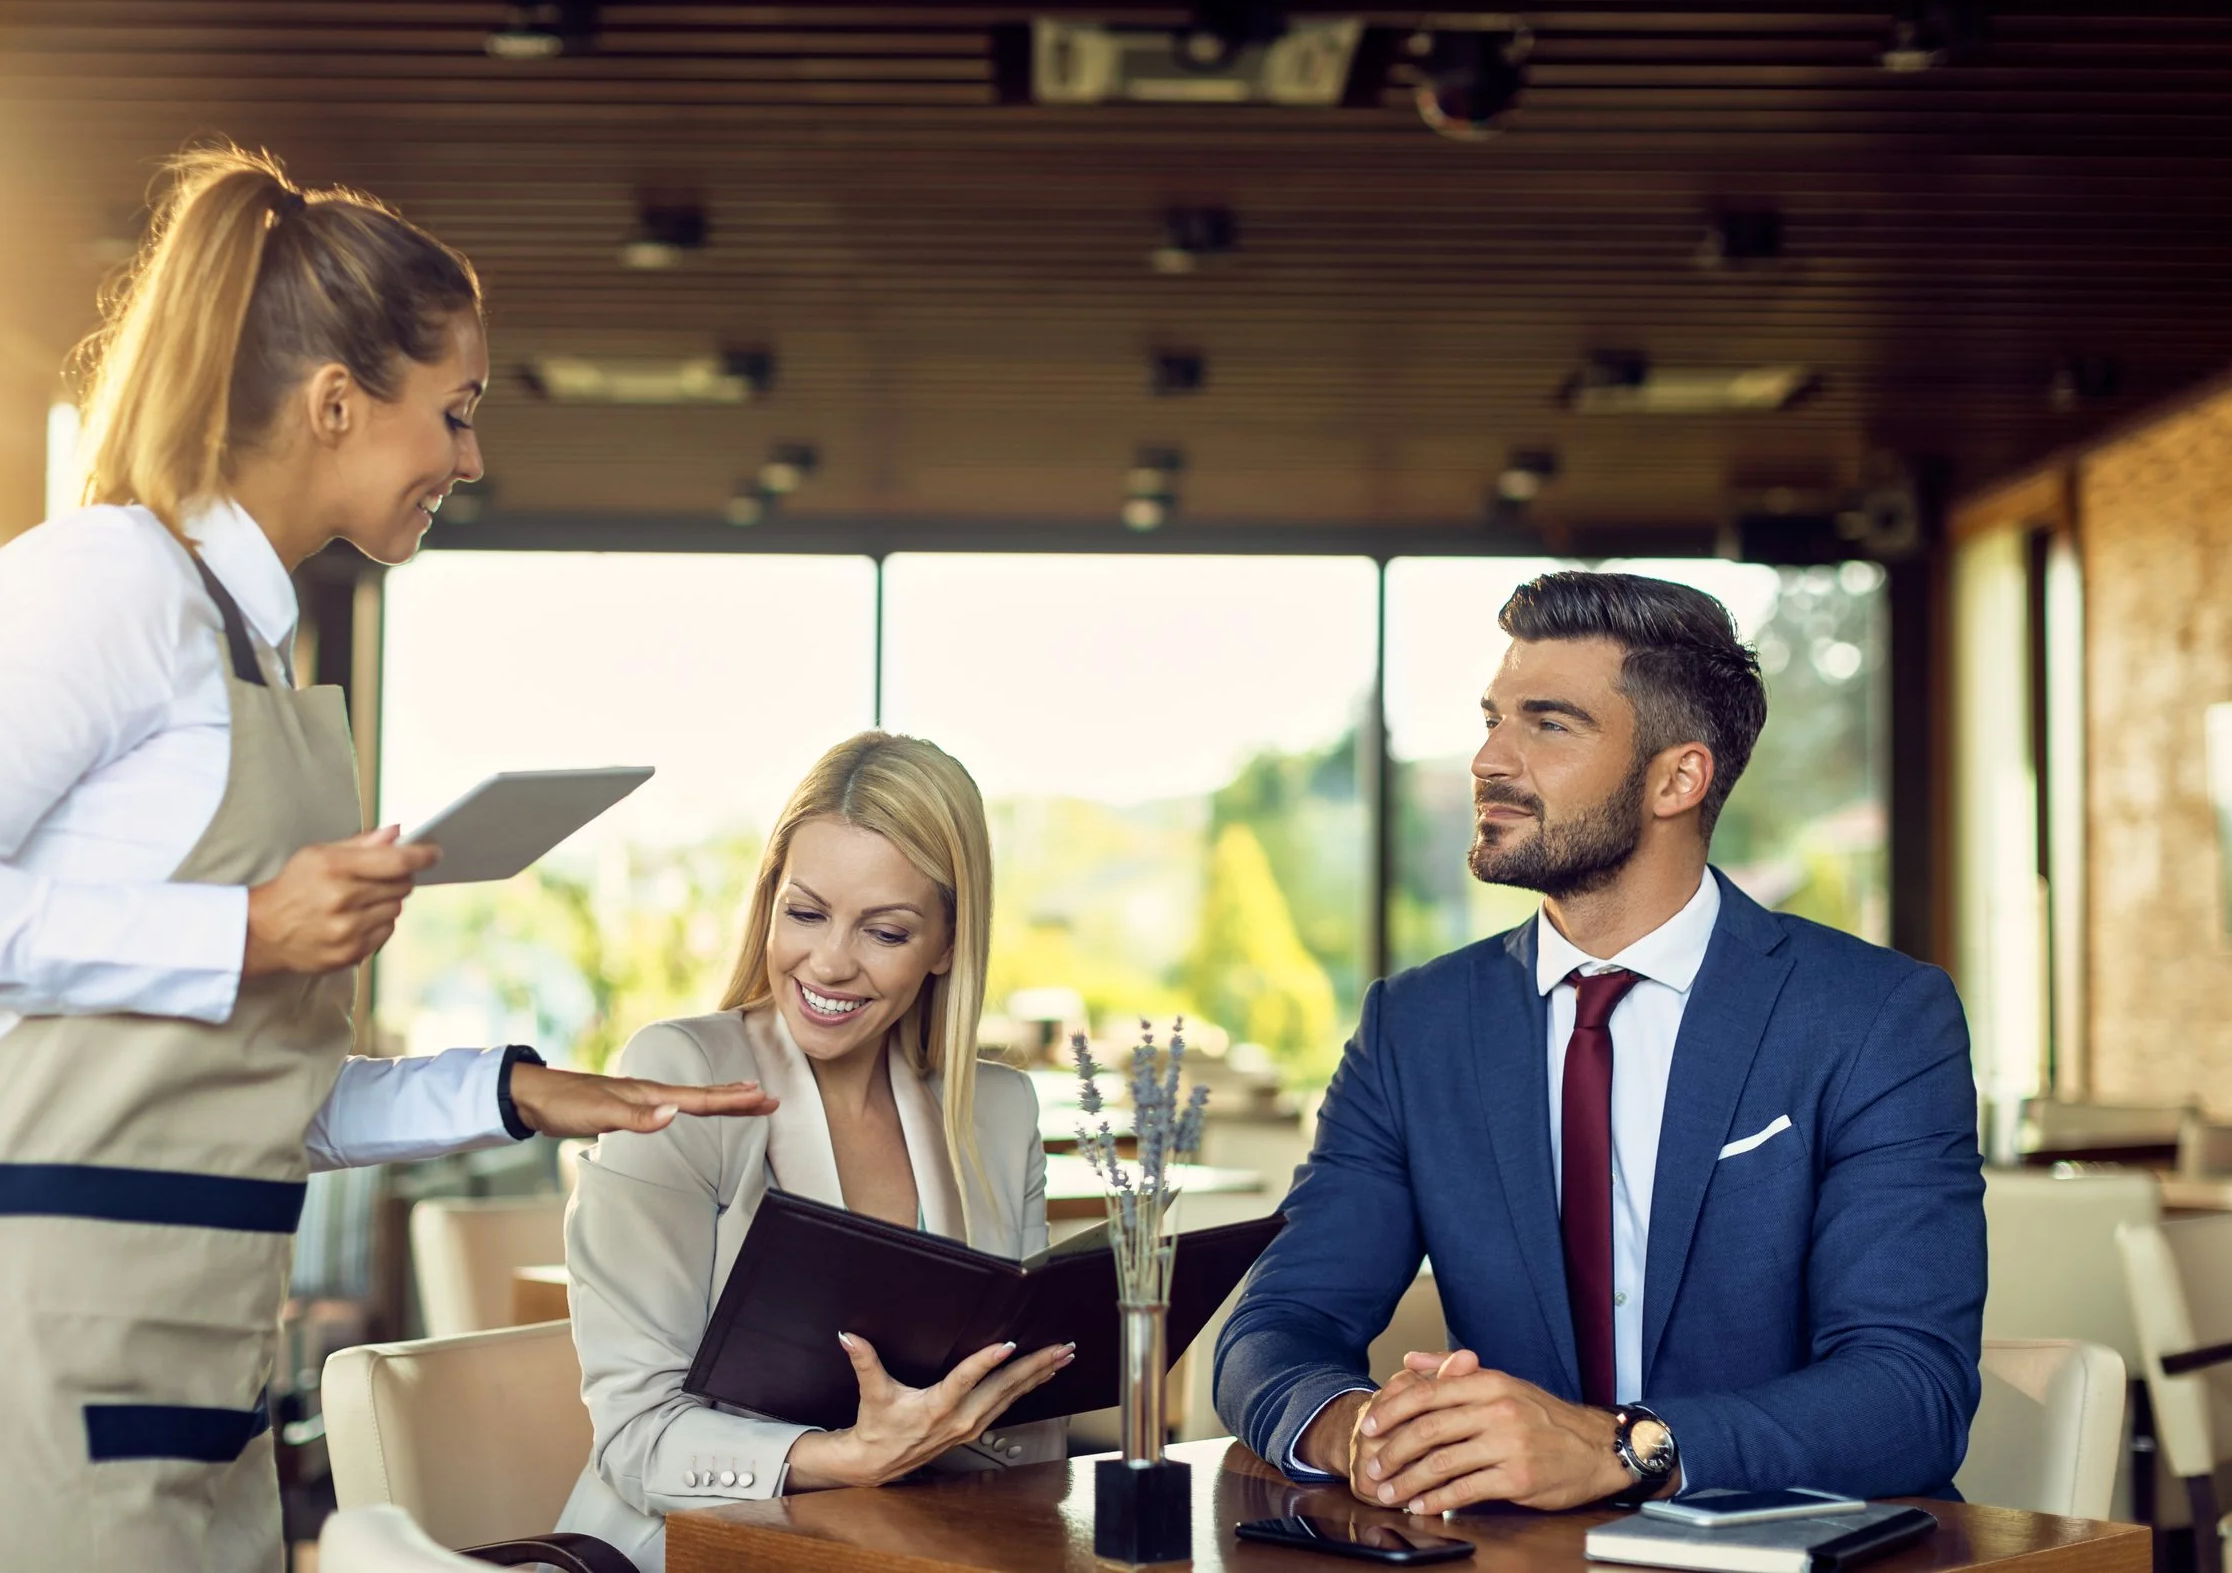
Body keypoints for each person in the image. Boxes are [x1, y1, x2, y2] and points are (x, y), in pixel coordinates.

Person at [0, 145, 774, 1573]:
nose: (473, 457)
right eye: (457, 409)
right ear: (333, 403)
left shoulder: (259, 648)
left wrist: (509, 1092)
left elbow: (237, 1088)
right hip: (18, 1340)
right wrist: (246, 926)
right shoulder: (104, 581)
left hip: (196, 1363)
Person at [1216, 571, 1986, 1514]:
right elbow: (1278, 1323)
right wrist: (1360, 1429)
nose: (1490, 757)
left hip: (1792, 1546)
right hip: (1516, 1553)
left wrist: (1622, 1447)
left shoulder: (1875, 1016)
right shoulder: (1414, 1027)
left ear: (1678, 777)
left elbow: (1912, 1394)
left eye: (1549, 724)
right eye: (1492, 716)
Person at [556, 732, 1073, 1573]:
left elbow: (1021, 1421)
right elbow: (635, 1438)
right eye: (805, 913)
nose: (829, 961)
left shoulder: (1000, 1112)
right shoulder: (683, 1076)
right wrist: (847, 1457)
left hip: (913, 1552)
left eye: (886, 931)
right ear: (770, 903)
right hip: (688, 1552)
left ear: (947, 944)